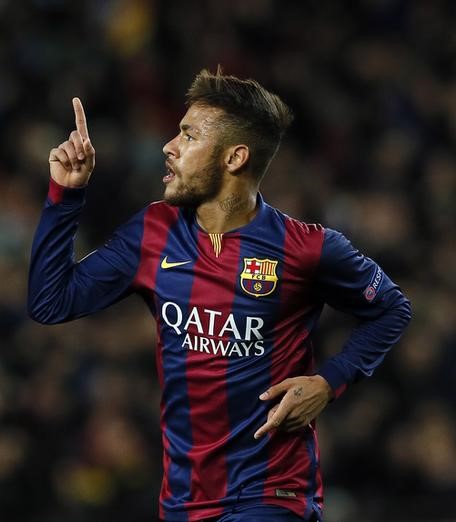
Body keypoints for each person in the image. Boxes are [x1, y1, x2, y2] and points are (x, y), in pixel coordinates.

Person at [27, 68, 411, 522]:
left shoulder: (308, 248)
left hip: (272, 495)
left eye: (188, 135)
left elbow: (391, 308)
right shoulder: (153, 232)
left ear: (234, 158)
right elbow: (50, 302)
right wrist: (66, 196)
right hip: (184, 503)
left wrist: (329, 382)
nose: (168, 146)